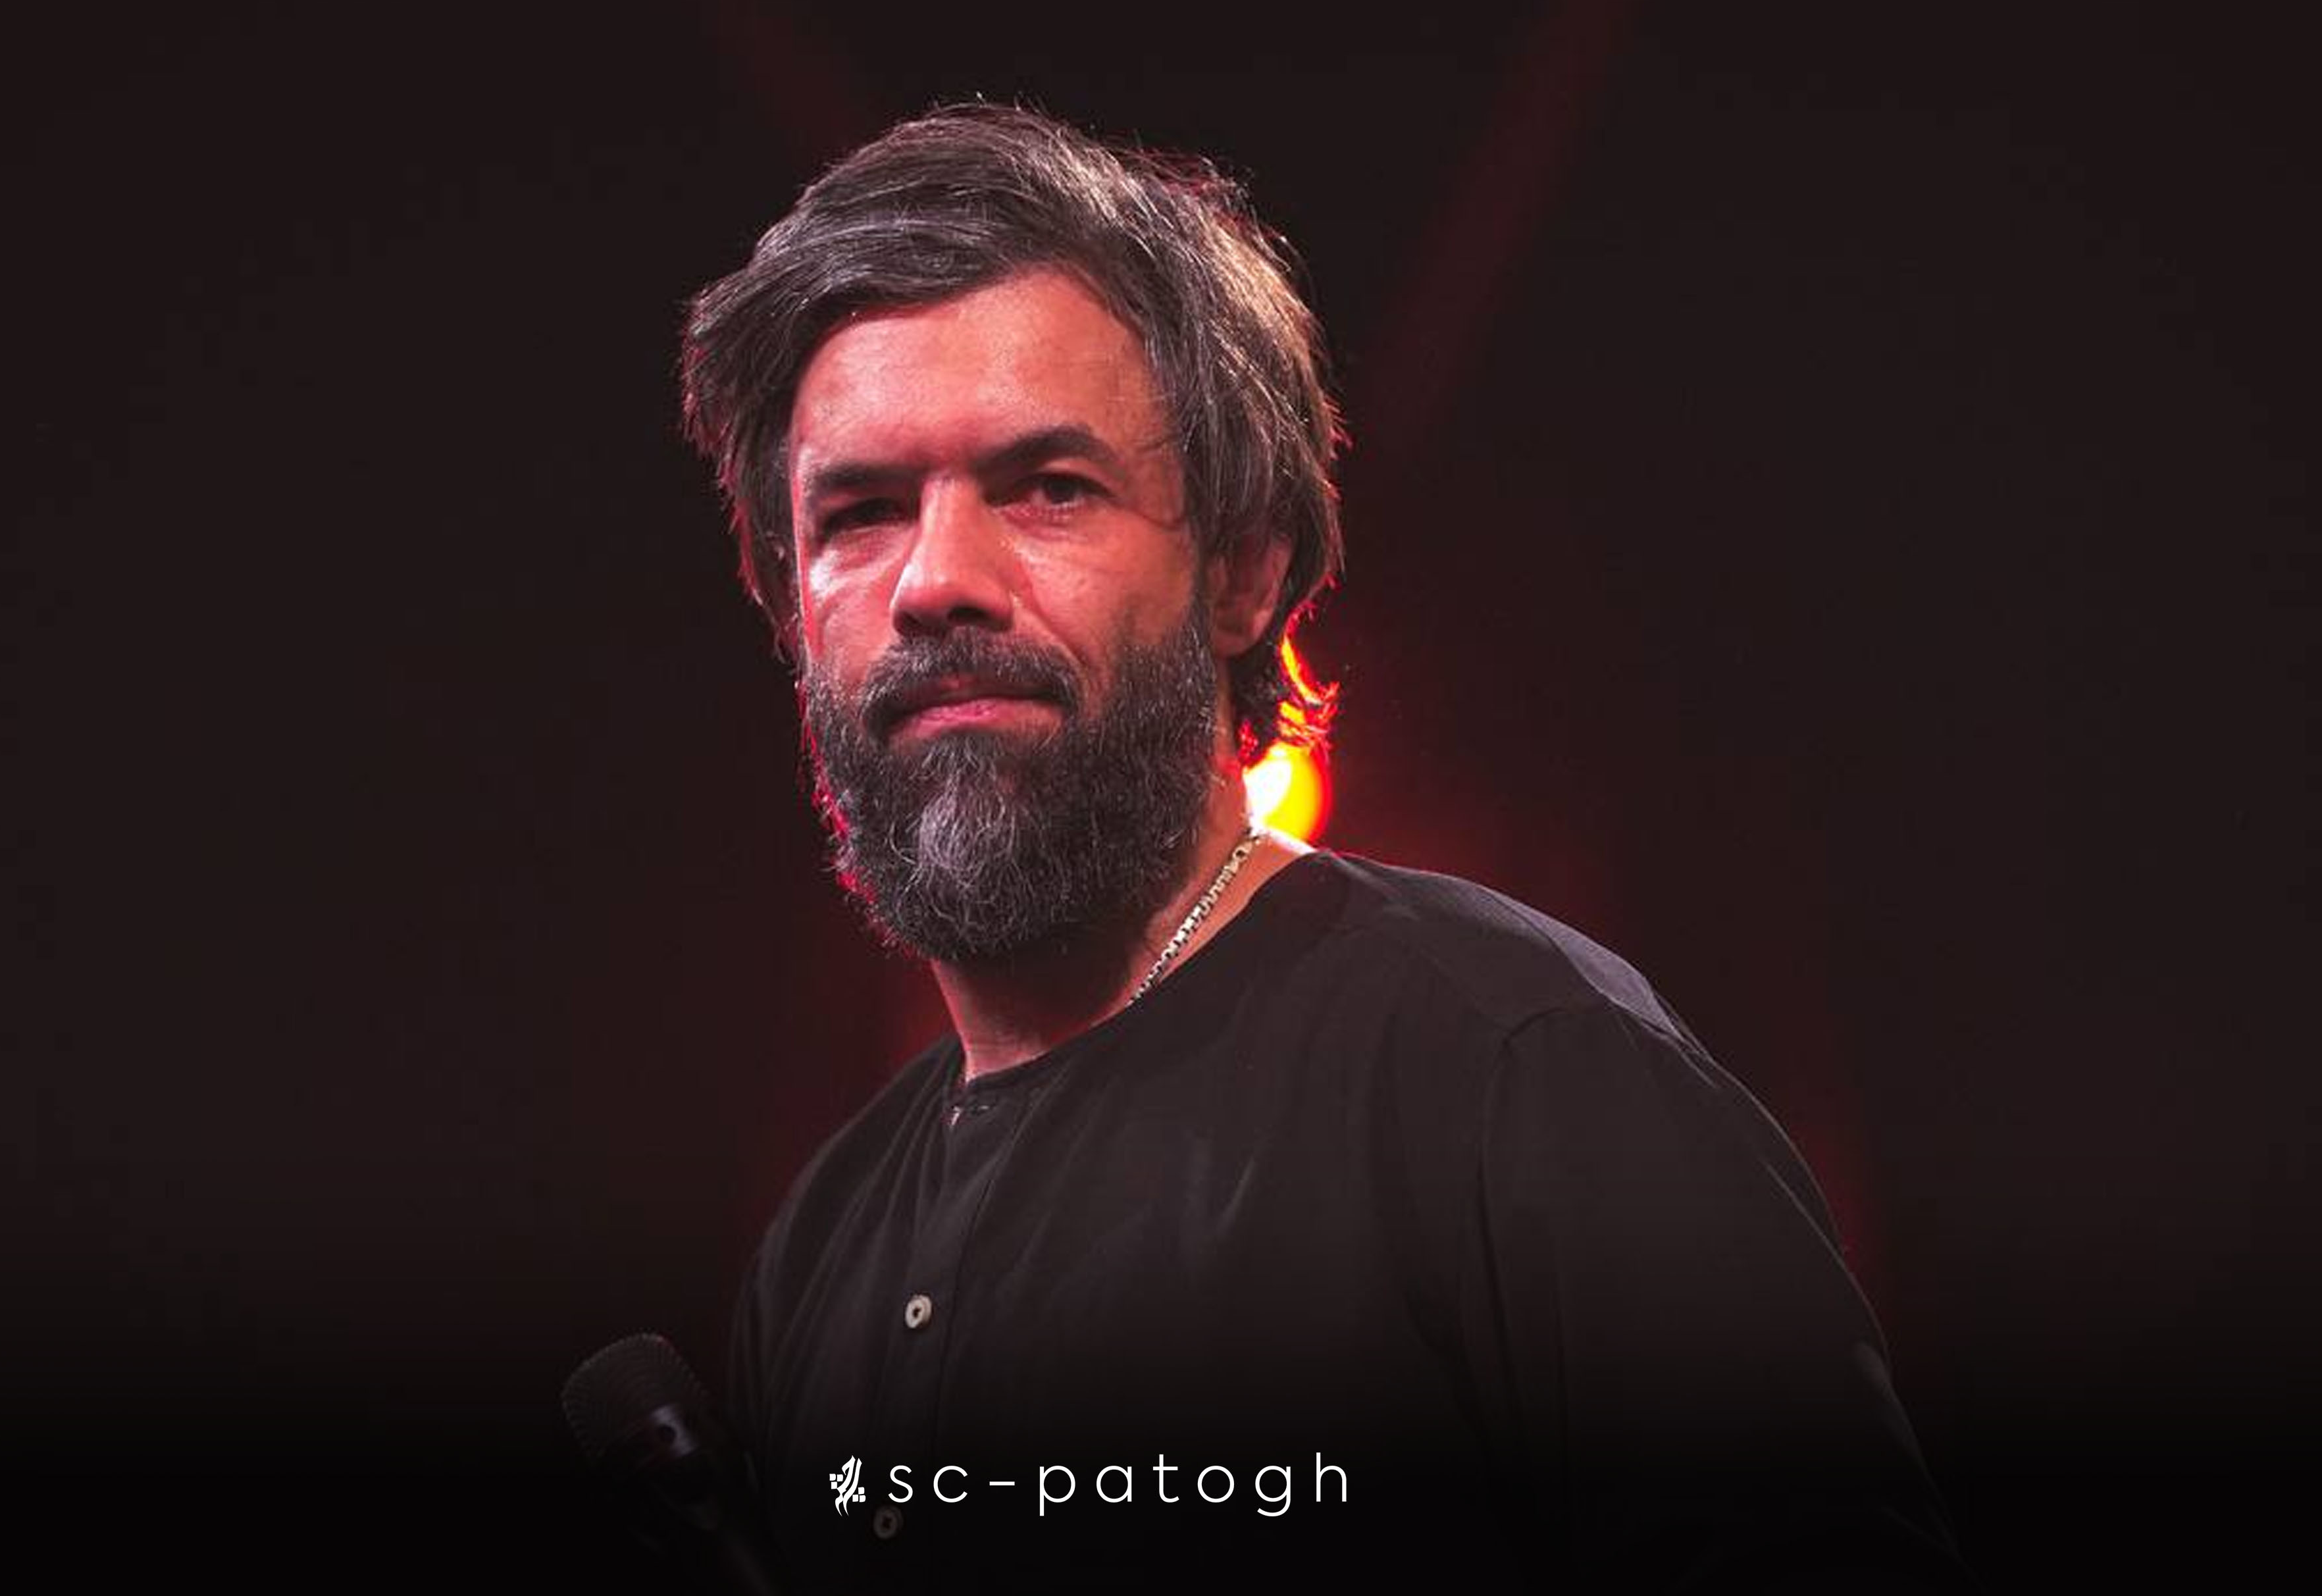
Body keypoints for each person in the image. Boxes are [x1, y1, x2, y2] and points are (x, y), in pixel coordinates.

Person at [679, 103, 1974, 1593]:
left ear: (1244, 570)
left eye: (1048, 489)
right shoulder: (823, 1245)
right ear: (789, 606)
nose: (935, 581)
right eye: (859, 512)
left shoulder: (1521, 1073)